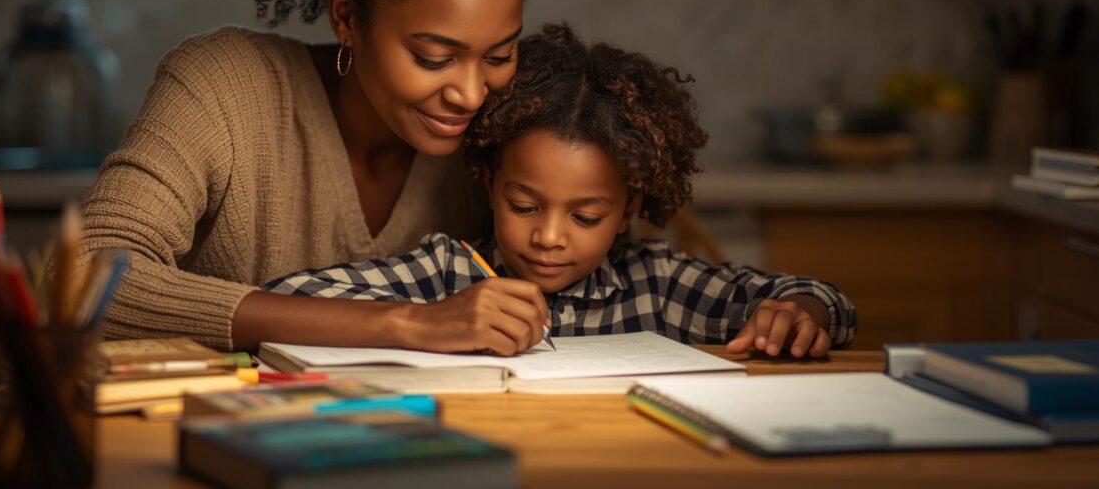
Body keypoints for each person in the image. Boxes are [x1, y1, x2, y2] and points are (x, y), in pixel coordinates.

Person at [77, 0, 557, 351]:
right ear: (346, 17)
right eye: (434, 58)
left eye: (498, 55)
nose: (469, 93)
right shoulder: (221, 89)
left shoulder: (501, 136)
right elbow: (87, 277)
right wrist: (408, 324)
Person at [266, 25, 858, 357]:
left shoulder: (656, 287)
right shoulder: (449, 274)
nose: (548, 237)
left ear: (627, 208)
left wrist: (797, 314)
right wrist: (425, 320)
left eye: (586, 216)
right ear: (488, 184)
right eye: (524, 206)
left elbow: (819, 298)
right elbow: (287, 297)